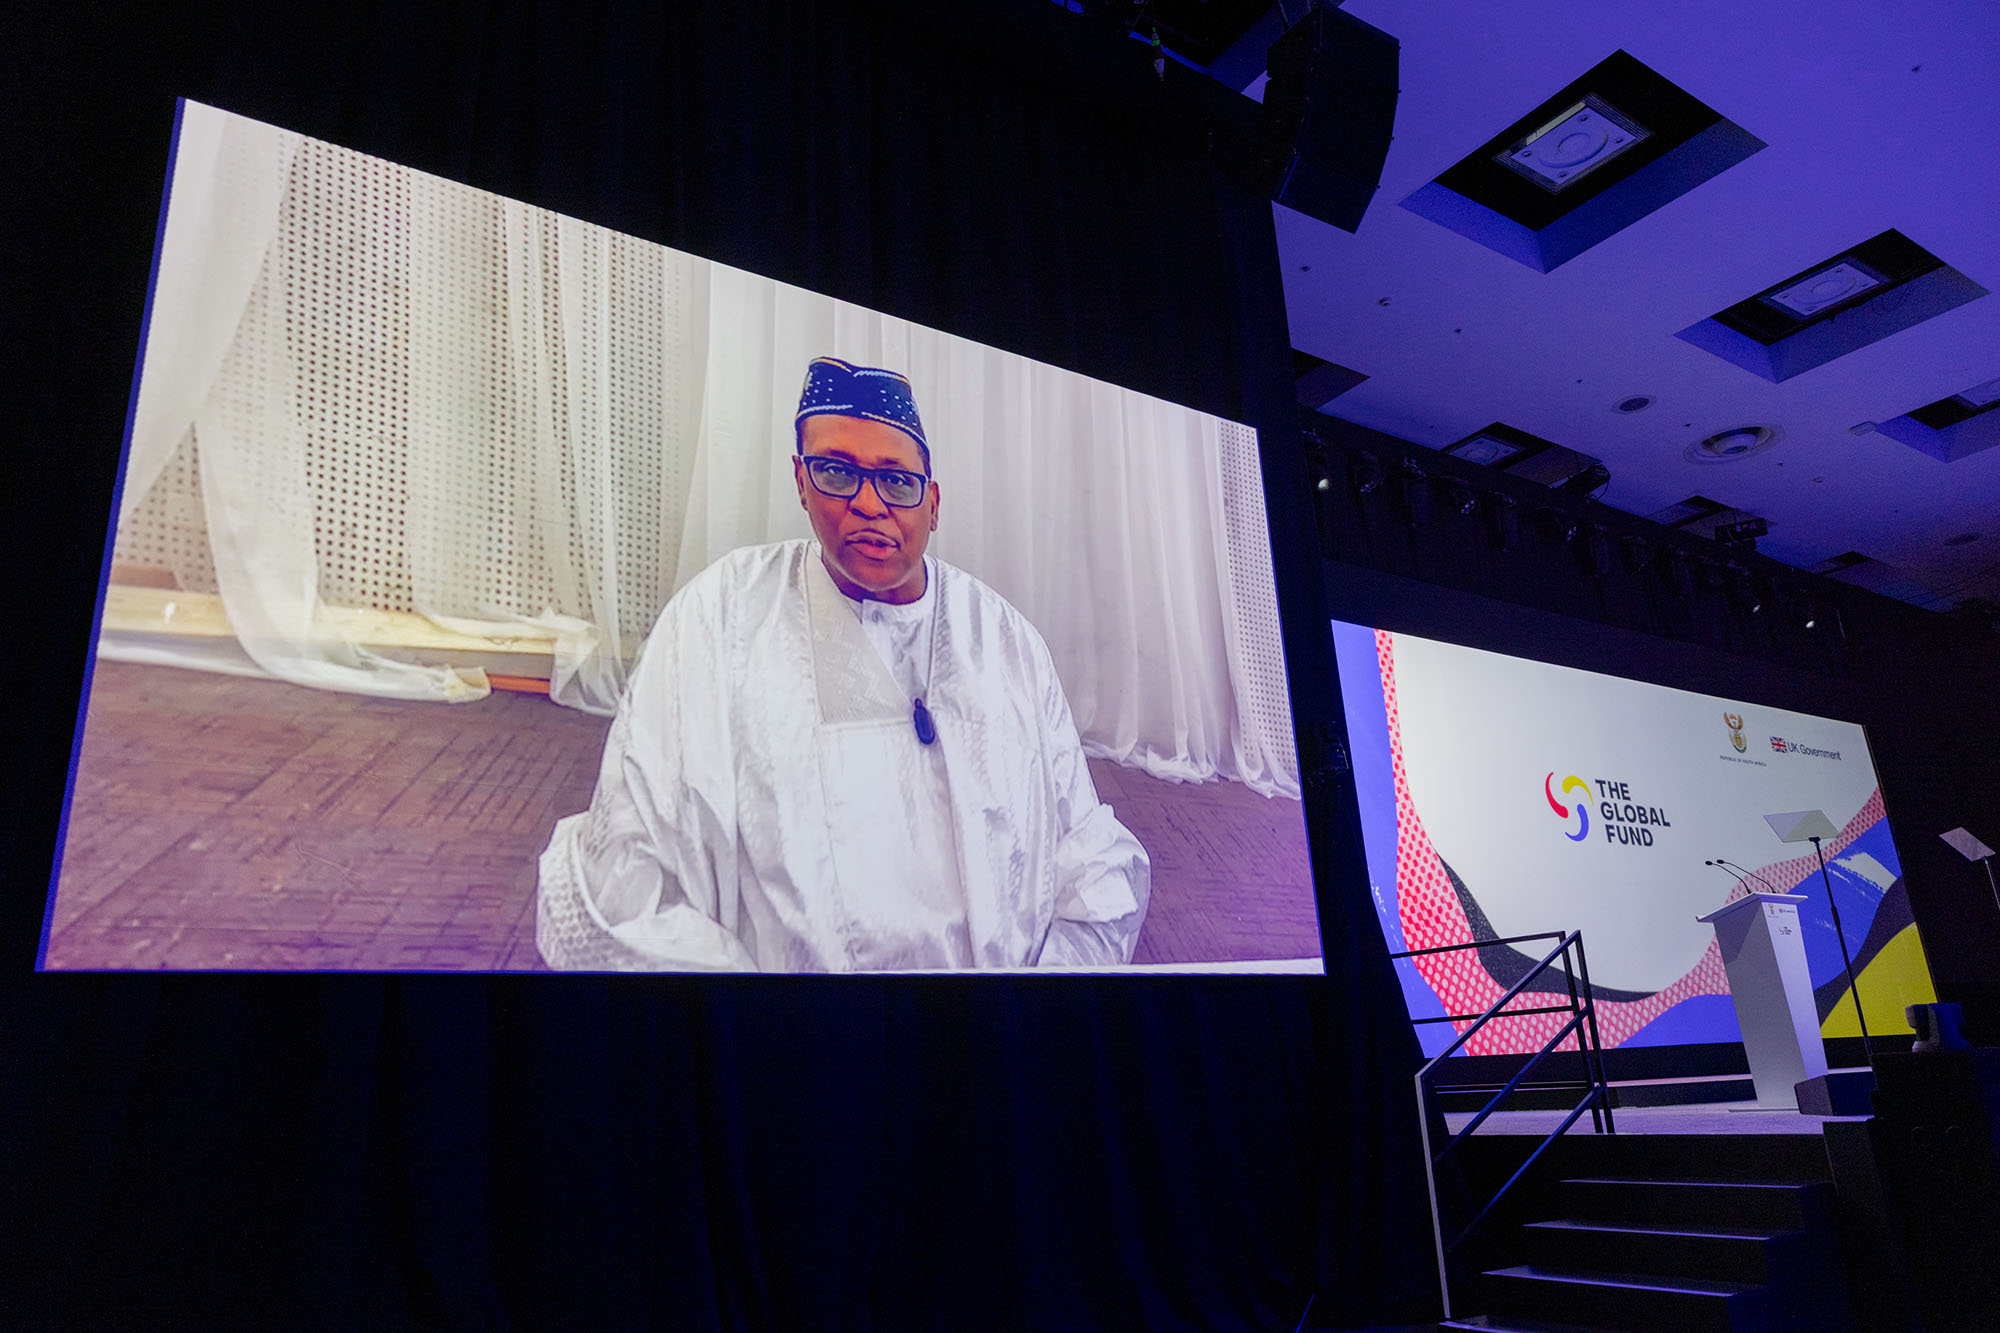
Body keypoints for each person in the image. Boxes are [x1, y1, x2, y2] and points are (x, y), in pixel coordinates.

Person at [536, 356, 1150, 971]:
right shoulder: (721, 614)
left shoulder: (1004, 641)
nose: (868, 504)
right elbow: (627, 868)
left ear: (932, 503)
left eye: (897, 482)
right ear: (801, 482)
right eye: (836, 471)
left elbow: (1089, 858)